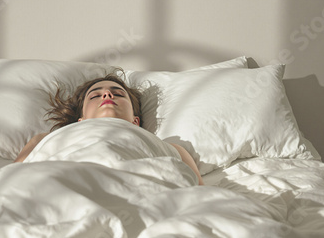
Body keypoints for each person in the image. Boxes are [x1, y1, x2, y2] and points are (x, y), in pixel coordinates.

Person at [14, 71, 204, 185]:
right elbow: (11, 181)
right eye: (95, 96)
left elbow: (199, 194)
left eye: (118, 94)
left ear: (135, 121)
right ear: (81, 120)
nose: (106, 95)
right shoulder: (43, 140)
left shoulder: (173, 148)